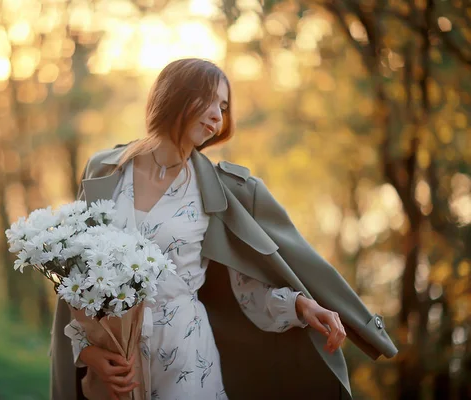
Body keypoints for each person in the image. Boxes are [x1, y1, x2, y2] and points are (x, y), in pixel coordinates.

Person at [50, 58, 398, 400]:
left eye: (224, 106)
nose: (218, 115)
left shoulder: (219, 191)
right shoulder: (106, 170)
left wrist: (303, 306)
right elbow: (78, 279)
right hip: (114, 365)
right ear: (173, 95)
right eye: (209, 100)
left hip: (185, 358)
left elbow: (248, 293)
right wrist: (88, 353)